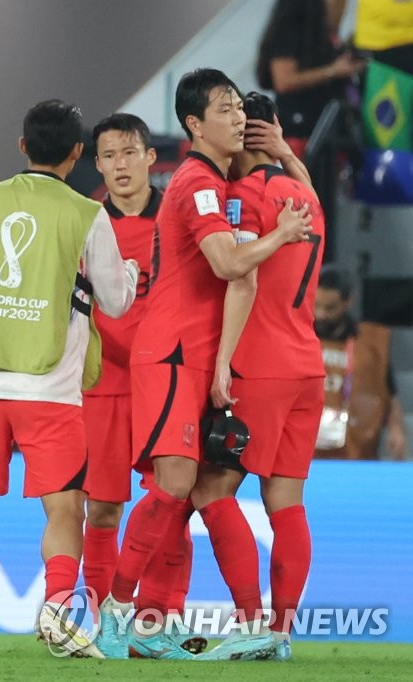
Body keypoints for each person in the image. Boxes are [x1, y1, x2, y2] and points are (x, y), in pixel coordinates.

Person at [95, 68, 312, 662]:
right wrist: (282, 233)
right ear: (193, 124)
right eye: (225, 109)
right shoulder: (197, 182)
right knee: (173, 487)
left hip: (195, 356)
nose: (238, 117)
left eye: (241, 107)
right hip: (170, 353)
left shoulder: (213, 180)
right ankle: (114, 614)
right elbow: (226, 263)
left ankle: (152, 618)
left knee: (184, 490)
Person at [0, 99, 138, 659]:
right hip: (52, 392)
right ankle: (56, 613)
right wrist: (132, 277)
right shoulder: (87, 214)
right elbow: (117, 303)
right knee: (66, 506)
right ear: (78, 154)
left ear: (22, 147)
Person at [203, 91, 327, 661]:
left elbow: (240, 276)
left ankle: (251, 623)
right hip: (308, 367)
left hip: (262, 366)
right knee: (287, 504)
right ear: (274, 133)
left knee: (211, 490)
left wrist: (223, 359)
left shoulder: (243, 198)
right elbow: (297, 185)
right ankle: (279, 633)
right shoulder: (306, 196)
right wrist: (286, 154)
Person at [82, 112, 205, 654]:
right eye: (108, 155)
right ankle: (100, 621)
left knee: (171, 501)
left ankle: (158, 621)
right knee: (104, 508)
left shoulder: (178, 217)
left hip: (167, 378)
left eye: (129, 152)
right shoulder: (85, 221)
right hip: (104, 382)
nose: (119, 165)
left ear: (151, 157)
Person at [314, 265, 408, 459]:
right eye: (316, 305)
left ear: (348, 301)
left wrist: (396, 428)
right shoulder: (298, 335)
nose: (321, 314)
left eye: (330, 308)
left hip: (354, 450)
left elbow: (389, 393)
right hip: (304, 445)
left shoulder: (371, 342)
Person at [256, 0, 364, 157]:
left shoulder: (324, 32)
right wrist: (333, 71)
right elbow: (284, 81)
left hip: (332, 128)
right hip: (302, 133)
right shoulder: (287, 30)